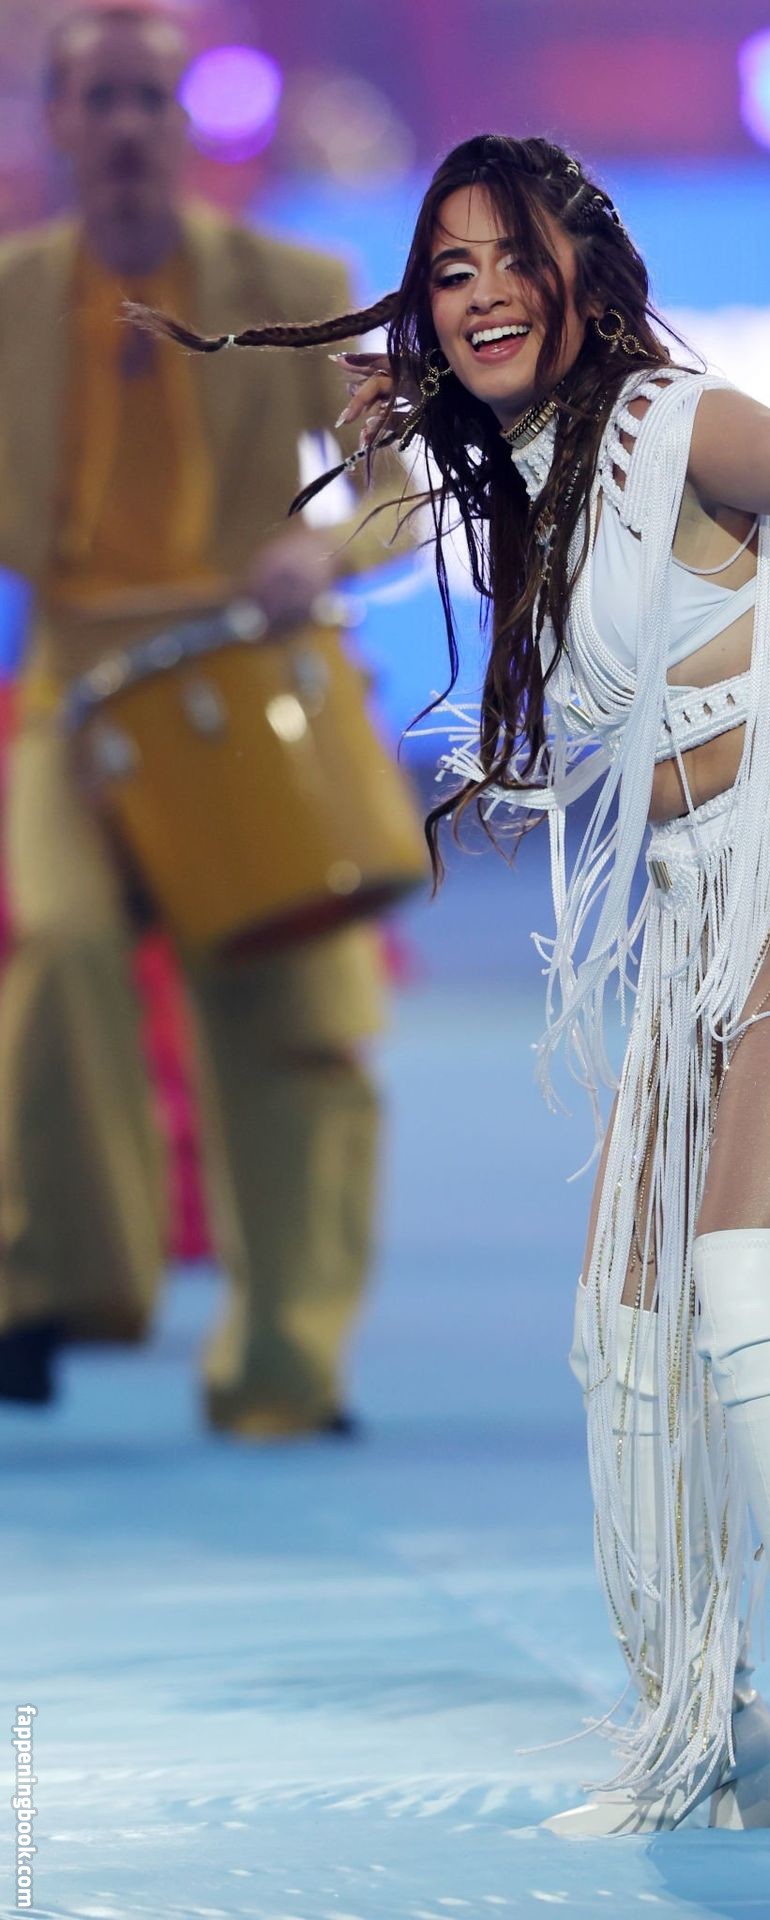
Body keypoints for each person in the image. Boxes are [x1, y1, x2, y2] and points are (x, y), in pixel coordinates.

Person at [142, 132, 770, 1854]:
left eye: (509, 261)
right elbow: (381, 500)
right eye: (447, 270)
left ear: (584, 278)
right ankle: (706, 1723)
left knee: (754, 1270)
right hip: (712, 910)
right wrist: (377, 438)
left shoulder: (662, 419)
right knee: (628, 1331)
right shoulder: (518, 479)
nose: (479, 294)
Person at [0, 3, 410, 1432]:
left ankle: (287, 1362)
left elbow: (402, 488)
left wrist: (325, 549)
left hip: (254, 687)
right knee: (59, 945)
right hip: (77, 702)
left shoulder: (296, 285)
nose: (125, 127)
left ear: (185, 126)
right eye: (99, 99)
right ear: (58, 121)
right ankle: (57, 1282)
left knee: (295, 1008)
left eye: (150, 102)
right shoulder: (6, 299)